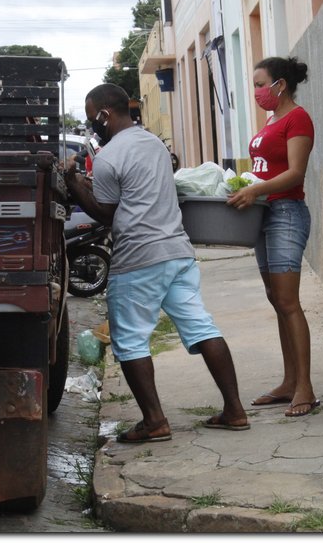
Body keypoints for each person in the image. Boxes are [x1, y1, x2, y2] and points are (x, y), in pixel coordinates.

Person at [64, 83, 249, 442]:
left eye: (92, 120)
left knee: (130, 340)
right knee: (202, 327)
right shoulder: (154, 144)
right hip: (177, 251)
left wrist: (73, 182)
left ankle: (154, 421)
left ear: (105, 114)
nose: (92, 127)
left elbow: (106, 213)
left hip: (139, 257)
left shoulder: (108, 157)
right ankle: (235, 410)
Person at [227, 57, 317, 418]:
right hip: (264, 214)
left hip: (287, 214)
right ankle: (288, 381)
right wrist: (247, 189)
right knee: (276, 299)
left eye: (260, 84)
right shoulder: (271, 121)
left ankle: (305, 387)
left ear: (280, 85)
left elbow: (296, 173)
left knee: (288, 300)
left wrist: (256, 190)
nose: (256, 92)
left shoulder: (298, 118)